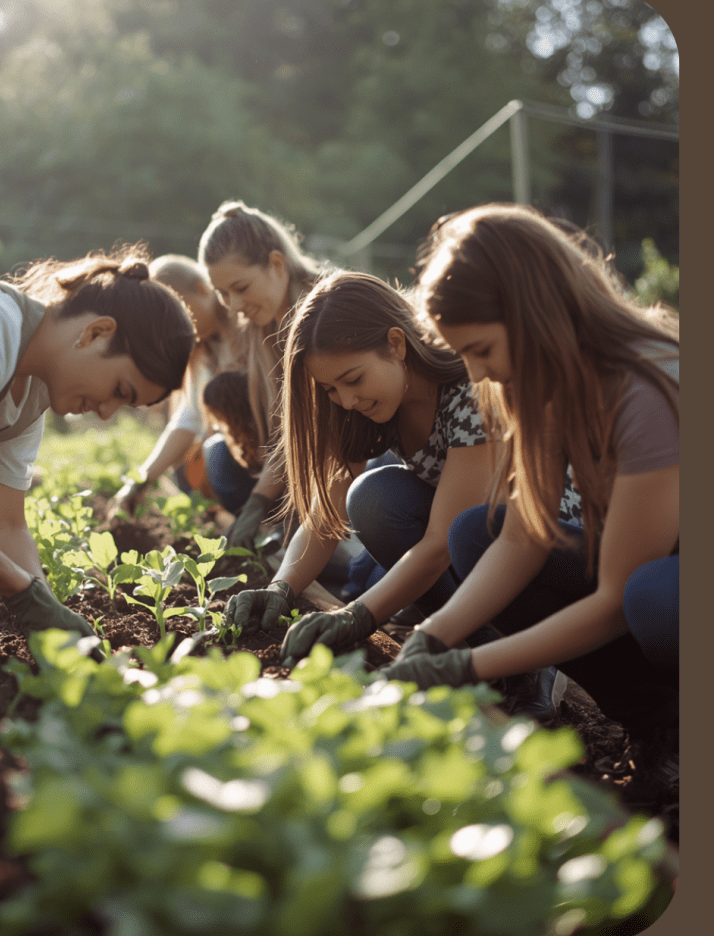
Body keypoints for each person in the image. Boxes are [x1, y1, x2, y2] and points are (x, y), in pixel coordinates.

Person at [379, 204, 678, 759]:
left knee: (653, 596)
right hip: (652, 575)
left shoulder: (649, 386)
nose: (474, 374)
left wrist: (465, 666)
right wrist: (433, 635)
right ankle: (658, 726)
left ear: (533, 313)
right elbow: (522, 538)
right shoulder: (547, 387)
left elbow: (616, 598)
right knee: (479, 533)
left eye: (482, 350)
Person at [222, 271, 556, 712]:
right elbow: (326, 515)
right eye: (330, 390)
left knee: (453, 526)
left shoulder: (469, 390)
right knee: (374, 498)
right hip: (473, 543)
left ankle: (532, 658)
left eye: (353, 379)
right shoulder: (366, 405)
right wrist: (282, 588)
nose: (345, 400)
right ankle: (477, 642)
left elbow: (440, 543)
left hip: (540, 547)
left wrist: (358, 615)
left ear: (396, 345)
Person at [0, 246, 196, 654]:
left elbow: (5, 527)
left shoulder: (30, 396)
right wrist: (21, 591)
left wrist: (49, 613)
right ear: (95, 333)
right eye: (120, 391)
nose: (106, 414)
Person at [197, 200, 325, 547]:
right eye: (223, 294)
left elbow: (320, 432)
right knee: (220, 456)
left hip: (360, 463)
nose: (234, 306)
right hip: (310, 466)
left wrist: (261, 500)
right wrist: (259, 502)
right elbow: (286, 427)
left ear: (276, 264)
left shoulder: (326, 311)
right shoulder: (261, 327)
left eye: (240, 288)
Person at [106, 254, 243, 517]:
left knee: (218, 455)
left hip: (256, 457)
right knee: (188, 468)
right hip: (229, 457)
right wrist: (140, 481)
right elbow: (187, 419)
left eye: (181, 310)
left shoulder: (246, 335)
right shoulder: (202, 353)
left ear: (203, 289)